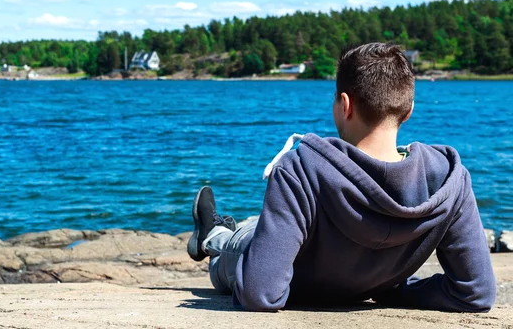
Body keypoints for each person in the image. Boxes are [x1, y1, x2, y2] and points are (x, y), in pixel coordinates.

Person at [186, 43, 496, 313]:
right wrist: (391, 288)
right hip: (363, 276)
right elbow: (475, 292)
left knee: (241, 242)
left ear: (344, 105)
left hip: (278, 261)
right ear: (408, 110)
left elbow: (260, 293)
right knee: (262, 226)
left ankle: (212, 237)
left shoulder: (301, 170)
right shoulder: (448, 179)